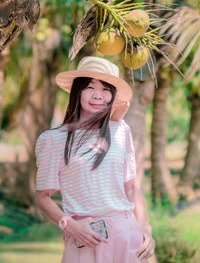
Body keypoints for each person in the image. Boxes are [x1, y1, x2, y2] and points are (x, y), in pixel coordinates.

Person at [35, 56, 155, 263]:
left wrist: (145, 228)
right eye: (90, 87)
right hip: (84, 239)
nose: (98, 95)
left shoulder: (121, 131)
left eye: (106, 89)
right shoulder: (53, 139)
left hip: (127, 237)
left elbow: (132, 188)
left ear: (113, 95)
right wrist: (70, 225)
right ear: (77, 90)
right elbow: (42, 197)